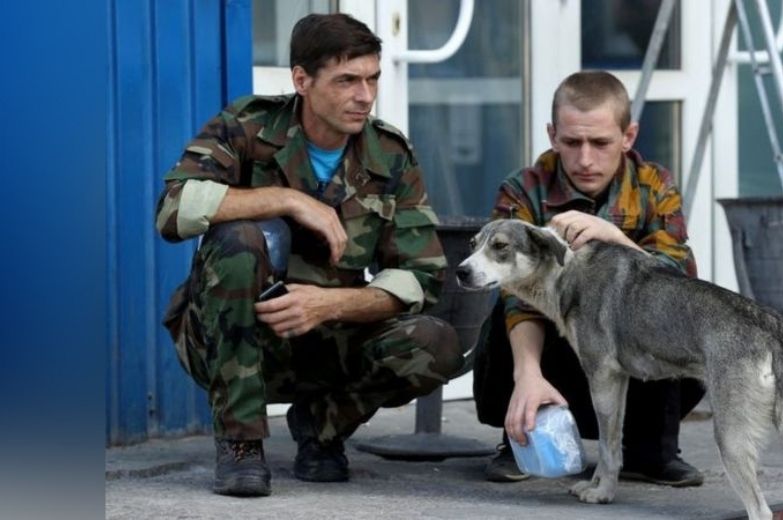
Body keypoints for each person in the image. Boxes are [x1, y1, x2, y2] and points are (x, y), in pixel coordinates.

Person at [155, 13, 463, 497]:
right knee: (237, 240)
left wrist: (328, 304)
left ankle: (321, 431)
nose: (365, 96)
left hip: (328, 336)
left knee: (437, 342)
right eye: (346, 81)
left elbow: (421, 277)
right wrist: (291, 200)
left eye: (372, 78)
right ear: (301, 80)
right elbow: (172, 210)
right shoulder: (248, 126)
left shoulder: (388, 153)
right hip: (234, 335)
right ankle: (241, 444)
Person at [473, 71, 707, 486]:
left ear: (628, 136)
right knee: (503, 316)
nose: (584, 159)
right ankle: (522, 436)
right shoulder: (524, 189)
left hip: (637, 353)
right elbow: (513, 296)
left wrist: (615, 238)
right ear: (552, 135)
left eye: (600, 143)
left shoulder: (655, 186)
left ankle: (650, 449)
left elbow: (679, 283)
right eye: (571, 142)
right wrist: (526, 373)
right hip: (555, 358)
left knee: (688, 320)